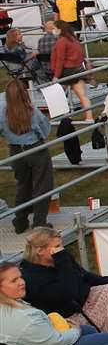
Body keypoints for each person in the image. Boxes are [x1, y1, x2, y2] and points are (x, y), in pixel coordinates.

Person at [3, 79, 53, 234]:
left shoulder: (2, 114)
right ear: (24, 93)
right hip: (36, 150)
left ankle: (20, 221)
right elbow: (44, 131)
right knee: (42, 186)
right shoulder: (32, 111)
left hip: (16, 152)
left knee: (22, 186)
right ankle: (39, 223)